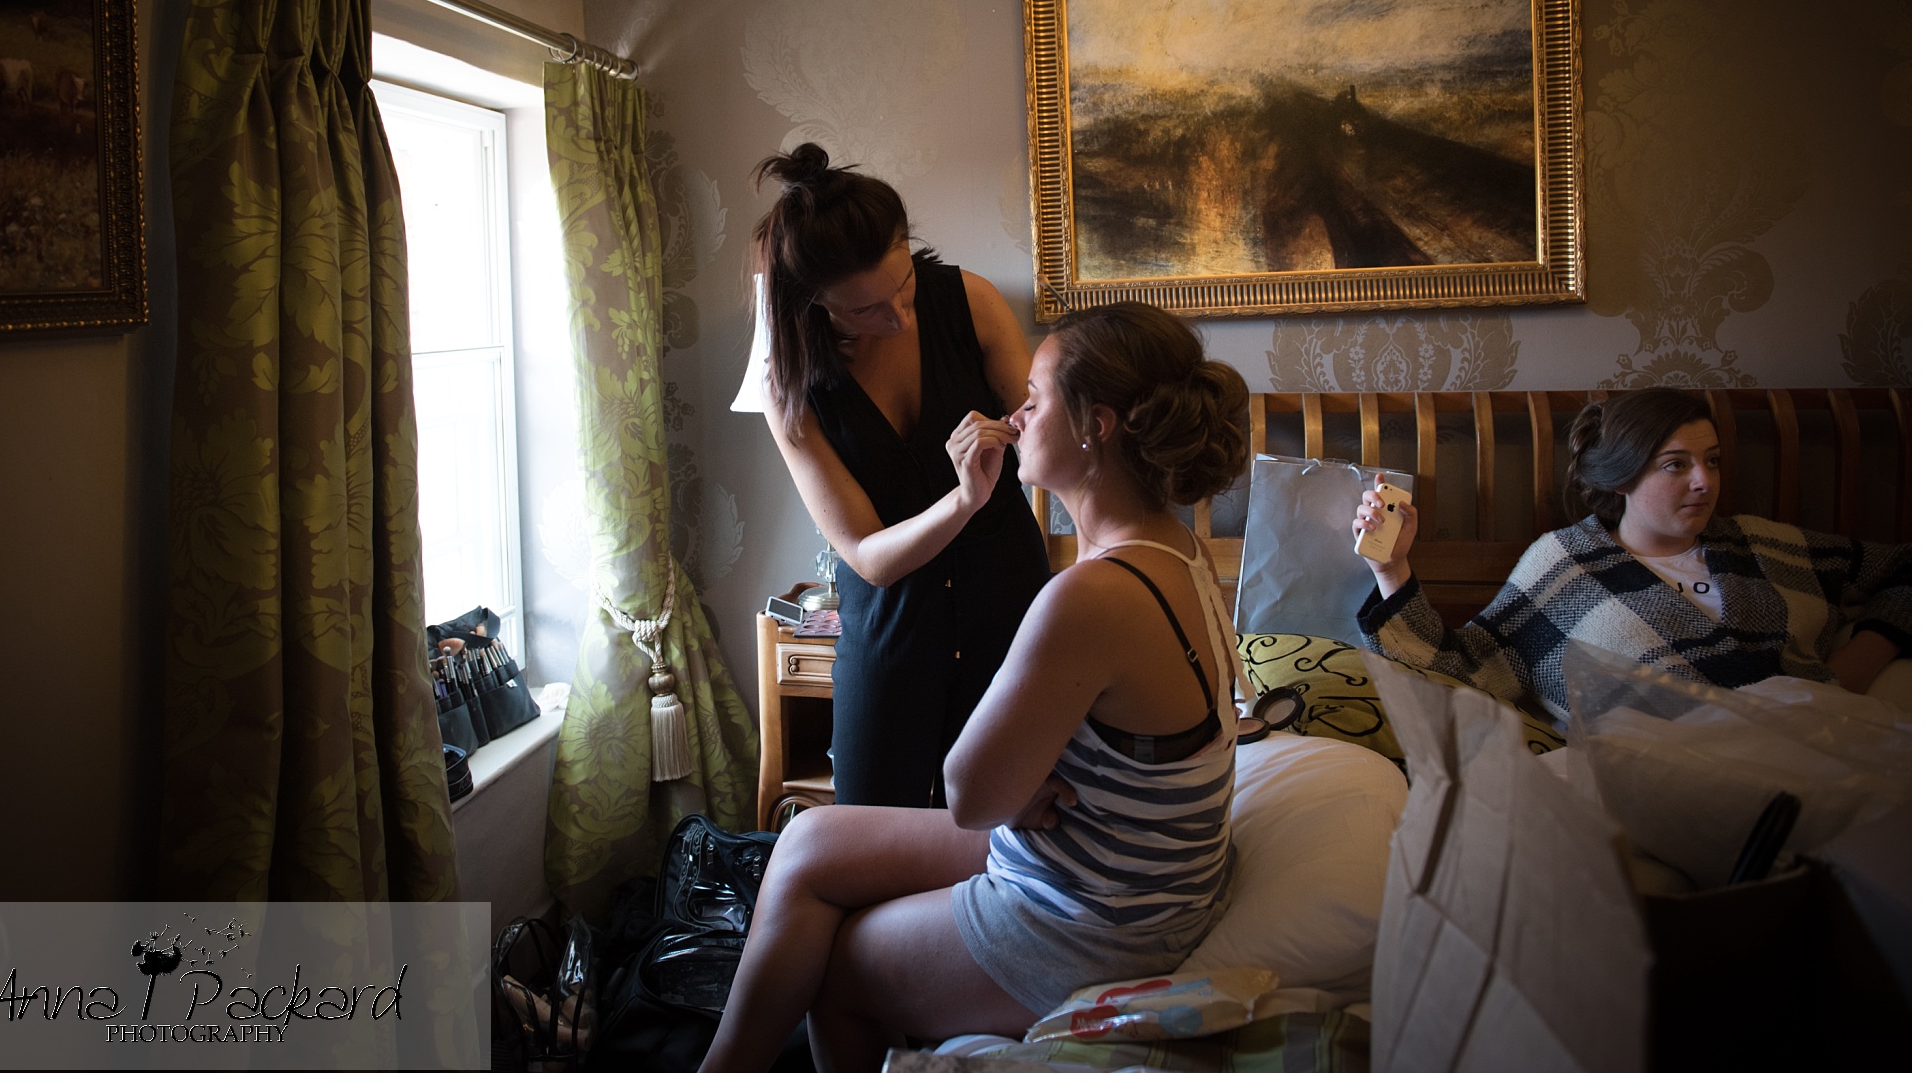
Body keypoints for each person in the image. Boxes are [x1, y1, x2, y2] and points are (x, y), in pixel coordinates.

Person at [704, 302, 1282, 1070]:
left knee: (838, 967)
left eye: (1035, 399)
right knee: (807, 839)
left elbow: (971, 796)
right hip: (1129, 877)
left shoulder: (1091, 596)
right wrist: (1028, 779)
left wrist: (1017, 785)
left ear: (1096, 426)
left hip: (1094, 918)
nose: (1015, 415)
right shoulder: (1178, 550)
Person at [751, 145, 1048, 808]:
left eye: (905, 287)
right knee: (869, 828)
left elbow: (1044, 434)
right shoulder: (789, 387)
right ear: (814, 303)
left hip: (1010, 612)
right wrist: (965, 498)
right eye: (865, 311)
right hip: (891, 634)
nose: (898, 319)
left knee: (1009, 831)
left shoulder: (972, 301)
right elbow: (867, 556)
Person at [1352, 385, 1910, 730]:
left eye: (1713, 461)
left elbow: (1905, 568)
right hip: (1673, 776)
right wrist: (1391, 568)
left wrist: (1868, 652)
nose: (1704, 481)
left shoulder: (1764, 545)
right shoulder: (1565, 567)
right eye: (1676, 465)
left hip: (1816, 741)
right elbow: (1465, 670)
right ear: (1620, 477)